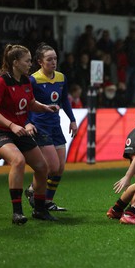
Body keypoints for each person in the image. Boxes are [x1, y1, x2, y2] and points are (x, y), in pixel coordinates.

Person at [0, 44, 59, 224]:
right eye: (27, 61)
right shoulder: (1, 81)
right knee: (18, 161)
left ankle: (40, 210)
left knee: (43, 167)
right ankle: (17, 212)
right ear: (15, 62)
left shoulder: (26, 80)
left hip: (19, 130)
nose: (30, 64)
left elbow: (30, 103)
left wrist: (45, 107)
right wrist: (12, 125)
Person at [24, 43, 78, 212]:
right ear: (40, 61)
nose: (53, 62)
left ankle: (47, 201)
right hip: (40, 127)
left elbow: (64, 101)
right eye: (49, 59)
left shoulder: (61, 77)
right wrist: (27, 122)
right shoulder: (33, 80)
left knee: (60, 168)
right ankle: (32, 190)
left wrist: (72, 119)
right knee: (52, 167)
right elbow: (25, 103)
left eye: (55, 58)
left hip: (55, 126)